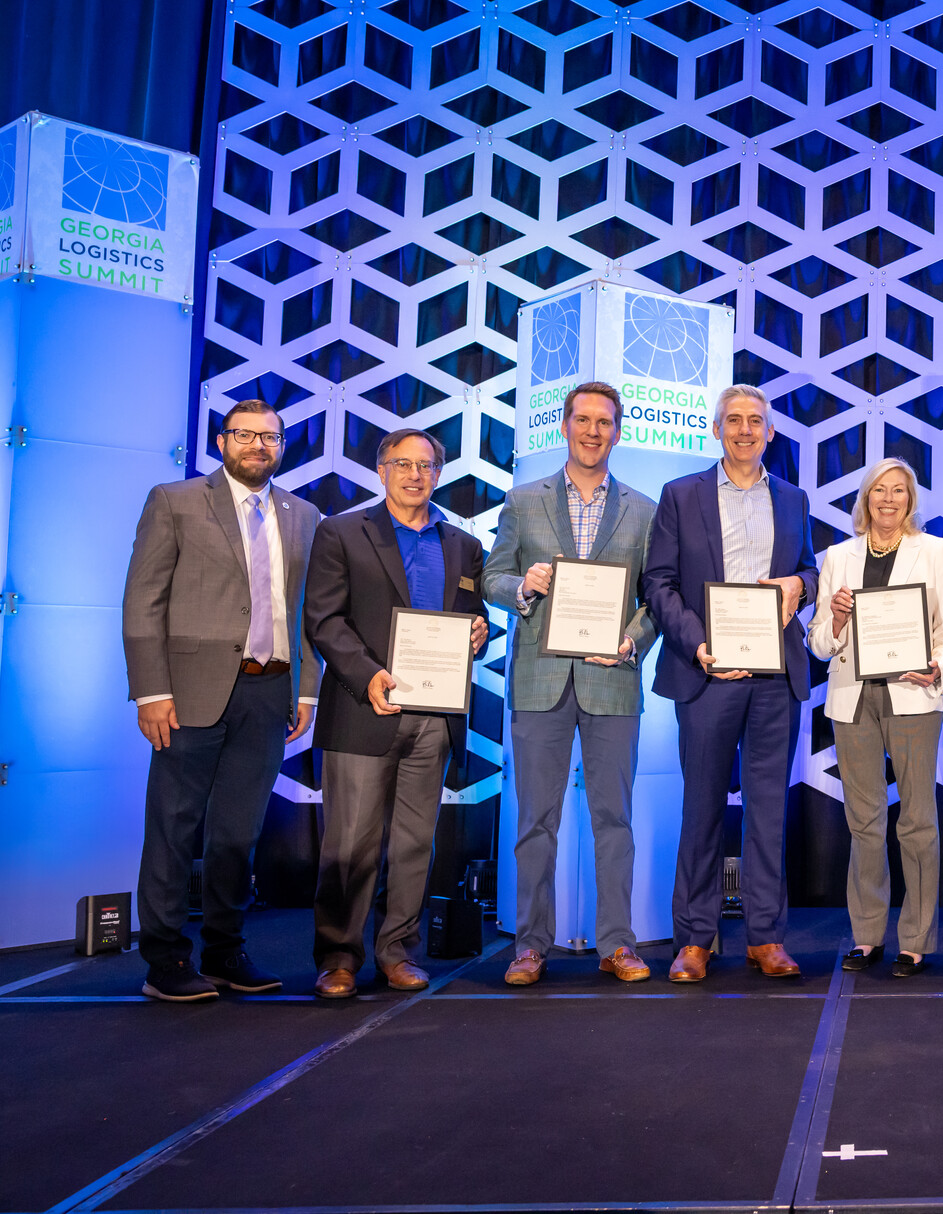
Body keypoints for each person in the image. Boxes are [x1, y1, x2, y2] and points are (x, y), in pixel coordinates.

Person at [121, 399, 322, 1002]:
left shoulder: (304, 514)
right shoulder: (174, 501)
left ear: (283, 445)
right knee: (173, 827)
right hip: (187, 693)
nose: (258, 445)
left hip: (269, 691)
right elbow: (143, 601)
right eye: (245, 435)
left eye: (270, 437)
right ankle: (164, 959)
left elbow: (308, 611)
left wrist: (305, 688)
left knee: (238, 832)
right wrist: (150, 691)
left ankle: (225, 950)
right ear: (221, 440)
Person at [641, 385, 819, 983]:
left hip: (775, 677)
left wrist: (803, 586)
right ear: (716, 430)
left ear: (770, 433)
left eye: (756, 421)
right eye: (734, 420)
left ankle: (766, 939)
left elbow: (810, 570)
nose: (745, 429)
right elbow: (659, 582)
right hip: (706, 672)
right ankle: (695, 938)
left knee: (769, 812)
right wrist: (698, 644)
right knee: (702, 809)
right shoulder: (681, 495)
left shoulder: (793, 498)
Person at [484, 382, 659, 987]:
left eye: (604, 422)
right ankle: (531, 947)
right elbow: (492, 577)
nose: (593, 432)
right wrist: (523, 587)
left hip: (613, 681)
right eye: (582, 420)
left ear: (618, 431)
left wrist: (633, 640)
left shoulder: (643, 509)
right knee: (536, 821)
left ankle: (617, 944)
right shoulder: (523, 500)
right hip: (540, 682)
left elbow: (656, 597)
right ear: (563, 426)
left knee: (615, 820)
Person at [303, 429, 489, 999]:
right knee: (350, 845)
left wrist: (478, 629)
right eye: (402, 464)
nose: (415, 475)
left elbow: (469, 612)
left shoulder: (462, 544)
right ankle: (338, 957)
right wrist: (368, 675)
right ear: (380, 470)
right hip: (366, 709)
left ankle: (397, 952)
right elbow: (325, 621)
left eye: (426, 466)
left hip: (433, 716)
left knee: (414, 843)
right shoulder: (341, 533)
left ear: (438, 473)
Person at [808, 458, 943, 977]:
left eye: (899, 490)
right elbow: (819, 645)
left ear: (911, 499)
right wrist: (834, 617)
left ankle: (915, 939)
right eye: (880, 490)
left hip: (913, 696)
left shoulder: (935, 550)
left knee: (918, 819)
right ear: (866, 498)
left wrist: (935, 666)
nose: (889, 499)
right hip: (853, 698)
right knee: (865, 821)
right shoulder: (837, 555)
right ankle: (867, 934)